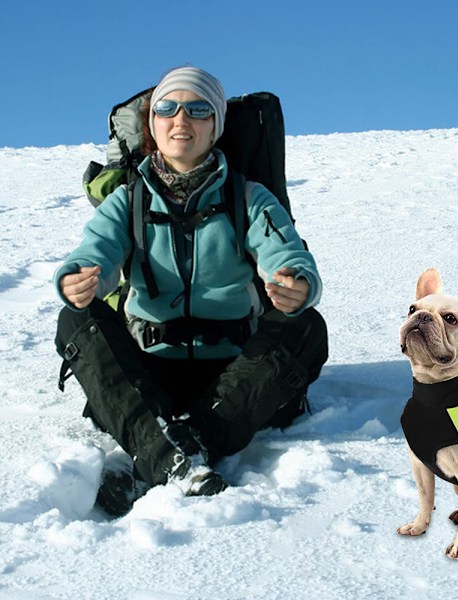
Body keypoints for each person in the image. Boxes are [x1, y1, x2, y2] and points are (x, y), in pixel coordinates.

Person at [54, 66, 328, 515]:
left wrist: (295, 283)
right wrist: (83, 277)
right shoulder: (129, 199)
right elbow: (96, 250)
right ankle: (180, 453)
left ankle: (158, 451)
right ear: (153, 124)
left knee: (307, 326)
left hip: (234, 372)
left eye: (199, 110)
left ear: (216, 126)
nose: (182, 119)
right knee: (76, 319)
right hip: (148, 368)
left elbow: (286, 252)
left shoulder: (249, 196)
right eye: (168, 108)